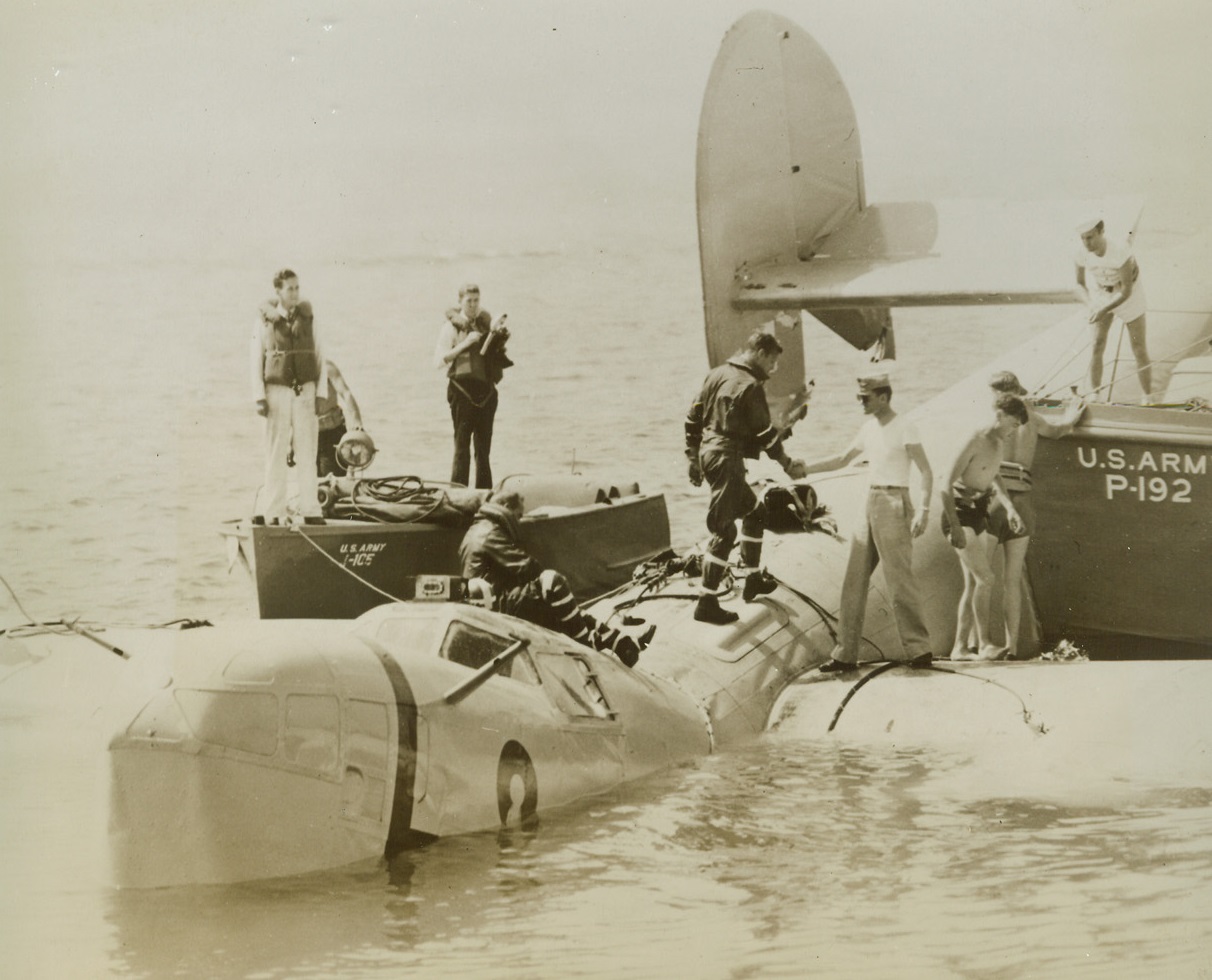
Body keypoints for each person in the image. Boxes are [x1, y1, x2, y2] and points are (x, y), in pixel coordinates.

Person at [799, 365, 935, 672]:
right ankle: (845, 653)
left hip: (894, 500)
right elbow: (842, 459)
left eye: (865, 397)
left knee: (899, 579)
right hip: (871, 500)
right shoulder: (869, 427)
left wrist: (924, 510)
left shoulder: (904, 427)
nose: (860, 402)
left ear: (883, 397)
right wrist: (804, 469)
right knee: (854, 577)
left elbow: (926, 470)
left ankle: (919, 649)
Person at [684, 330, 808, 625]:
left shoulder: (716, 375)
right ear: (761, 353)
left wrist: (692, 457)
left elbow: (693, 417)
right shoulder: (750, 386)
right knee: (725, 531)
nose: (772, 369)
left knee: (756, 513)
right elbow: (764, 435)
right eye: (773, 362)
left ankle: (752, 579)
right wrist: (787, 464)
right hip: (727, 460)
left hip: (712, 455)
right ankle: (706, 601)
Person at [459, 491, 653, 667]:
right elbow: (528, 567)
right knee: (553, 582)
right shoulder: (490, 533)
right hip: (494, 605)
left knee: (570, 609)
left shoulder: (479, 529)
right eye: (518, 515)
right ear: (508, 509)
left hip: (495, 601)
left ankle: (622, 643)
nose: (518, 521)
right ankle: (587, 645)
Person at [972, 371, 1086, 660]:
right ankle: (1012, 648)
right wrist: (1073, 412)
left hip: (994, 500)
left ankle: (980, 643)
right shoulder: (1032, 418)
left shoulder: (993, 424)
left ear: (1000, 395)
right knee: (1011, 580)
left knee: (982, 579)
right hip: (1022, 501)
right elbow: (1060, 430)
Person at [938, 392, 1029, 661]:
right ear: (1000, 415)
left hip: (977, 514)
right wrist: (954, 526)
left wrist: (1010, 507)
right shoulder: (975, 440)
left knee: (972, 584)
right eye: (1013, 424)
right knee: (986, 579)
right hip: (958, 514)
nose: (1014, 431)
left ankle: (959, 648)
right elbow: (944, 485)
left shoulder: (998, 442)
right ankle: (985, 644)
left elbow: (994, 475)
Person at [250, 268, 326, 526]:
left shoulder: (309, 318)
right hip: (277, 393)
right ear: (278, 291)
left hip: (305, 392)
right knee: (275, 452)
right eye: (289, 288)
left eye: (297, 288)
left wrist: (321, 393)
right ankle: (273, 511)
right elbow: (255, 359)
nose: (294, 293)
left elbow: (320, 356)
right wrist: (259, 396)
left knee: (308, 451)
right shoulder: (264, 322)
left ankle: (311, 510)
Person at [434, 284, 512, 488]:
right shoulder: (450, 327)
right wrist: (465, 344)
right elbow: (438, 361)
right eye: (468, 301)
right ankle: (457, 497)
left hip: (486, 394)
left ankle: (484, 497)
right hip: (462, 392)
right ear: (460, 302)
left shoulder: (487, 323)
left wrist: (500, 340)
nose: (473, 305)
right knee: (461, 449)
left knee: (483, 451)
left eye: (476, 300)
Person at [1075, 217, 1151, 403]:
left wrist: (1103, 310)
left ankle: (1149, 397)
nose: (1087, 243)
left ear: (1102, 232)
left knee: (1138, 347)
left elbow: (1126, 291)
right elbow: (1078, 284)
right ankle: (1095, 393)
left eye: (1091, 237)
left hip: (1129, 295)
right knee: (1097, 344)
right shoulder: (1081, 253)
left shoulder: (1119, 251)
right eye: (1083, 238)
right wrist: (1091, 305)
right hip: (1103, 293)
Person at [315, 360, 365, 477]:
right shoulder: (296, 372)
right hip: (307, 438)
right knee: (309, 485)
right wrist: (290, 444)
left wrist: (357, 421)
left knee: (330, 483)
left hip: (331, 435)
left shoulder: (326, 368)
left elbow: (346, 393)